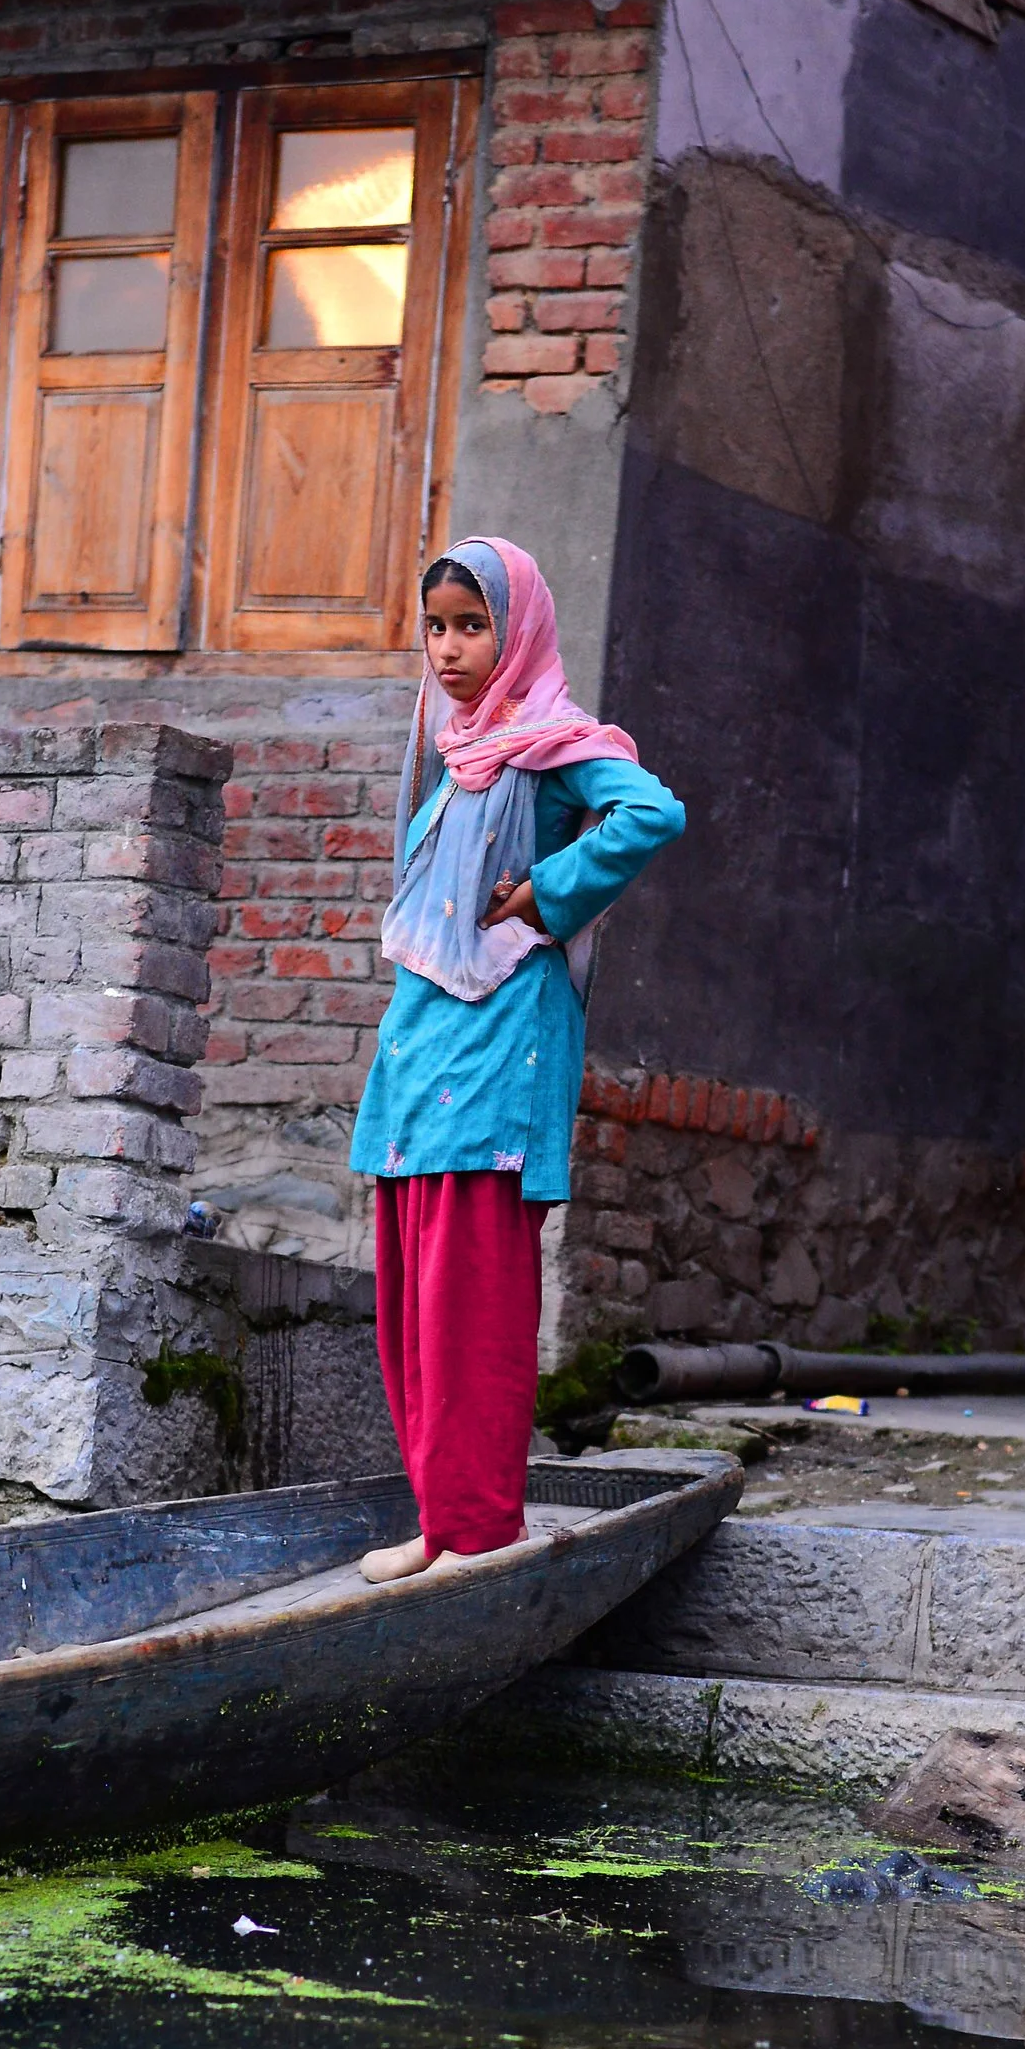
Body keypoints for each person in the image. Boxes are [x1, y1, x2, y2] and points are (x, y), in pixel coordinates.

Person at [349, 536, 685, 1582]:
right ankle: (443, 1519)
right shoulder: (455, 756)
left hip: (497, 1058)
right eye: (436, 625)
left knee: (474, 1306)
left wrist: (547, 889)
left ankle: (485, 1528)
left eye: (471, 624)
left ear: (518, 629)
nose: (448, 648)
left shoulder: (549, 742)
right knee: (412, 1307)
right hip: (419, 1062)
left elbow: (651, 811)